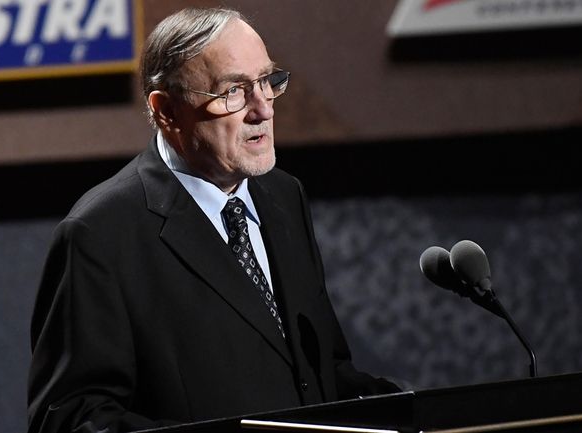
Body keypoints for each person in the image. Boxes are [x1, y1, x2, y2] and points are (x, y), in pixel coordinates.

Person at [28, 7, 400, 433]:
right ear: (166, 110)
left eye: (267, 81)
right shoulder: (101, 235)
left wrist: (401, 409)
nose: (263, 109)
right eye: (234, 92)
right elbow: (69, 419)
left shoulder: (282, 195)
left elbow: (323, 369)